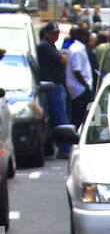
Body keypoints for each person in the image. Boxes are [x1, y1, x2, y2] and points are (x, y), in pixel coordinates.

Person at [37, 21, 70, 157]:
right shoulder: (45, 46)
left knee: (60, 116)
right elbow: (63, 60)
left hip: (56, 85)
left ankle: (63, 147)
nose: (55, 36)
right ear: (46, 34)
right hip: (53, 86)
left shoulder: (50, 46)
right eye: (53, 33)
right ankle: (65, 148)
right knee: (60, 118)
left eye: (57, 33)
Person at [65, 26, 94, 128]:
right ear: (82, 36)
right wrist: (86, 86)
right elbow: (76, 70)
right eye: (87, 35)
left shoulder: (80, 48)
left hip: (80, 88)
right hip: (80, 90)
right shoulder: (77, 49)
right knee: (79, 118)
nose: (89, 38)